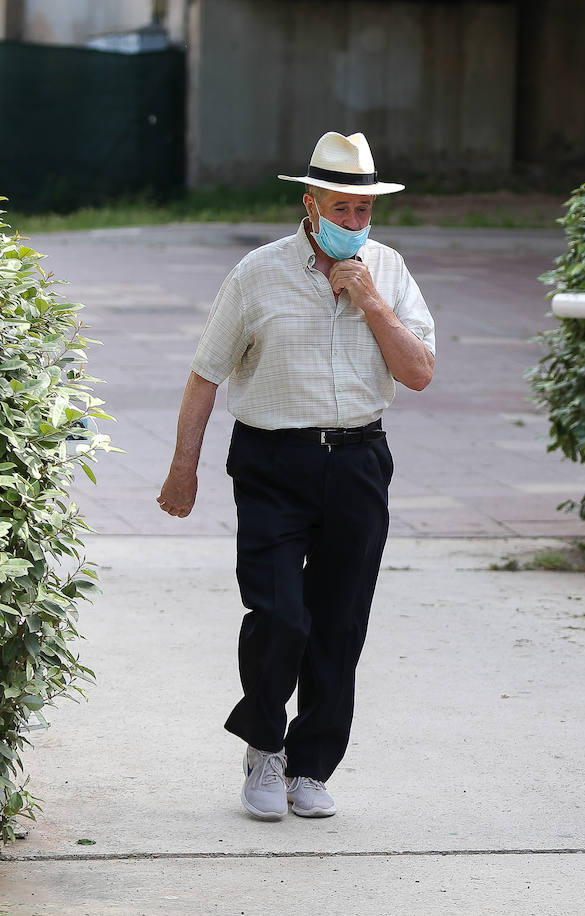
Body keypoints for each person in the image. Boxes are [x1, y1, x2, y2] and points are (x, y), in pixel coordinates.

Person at [156, 131, 436, 820]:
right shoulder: (257, 273)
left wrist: (371, 302)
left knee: (340, 624)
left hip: (360, 461)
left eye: (364, 212)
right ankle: (263, 747)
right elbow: (205, 374)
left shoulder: (390, 270)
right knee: (280, 613)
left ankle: (312, 766)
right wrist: (182, 470)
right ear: (310, 207)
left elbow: (420, 373)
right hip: (272, 462)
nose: (354, 225)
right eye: (341, 211)